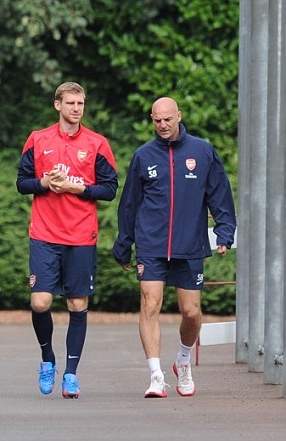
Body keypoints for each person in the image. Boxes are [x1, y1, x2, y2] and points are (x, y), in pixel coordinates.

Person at [113, 97, 236, 398]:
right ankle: (156, 376)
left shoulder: (202, 151)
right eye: (157, 120)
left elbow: (220, 193)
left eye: (168, 119)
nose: (163, 125)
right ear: (152, 120)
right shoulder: (143, 156)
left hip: (189, 243)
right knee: (149, 304)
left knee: (191, 312)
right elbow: (129, 204)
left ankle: (182, 360)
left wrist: (225, 230)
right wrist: (124, 242)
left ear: (178, 116)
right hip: (151, 243)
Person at [16, 82, 118, 398]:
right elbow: (22, 183)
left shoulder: (97, 143)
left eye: (80, 103)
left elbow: (110, 189)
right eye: (70, 103)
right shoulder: (38, 139)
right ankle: (47, 359)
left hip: (81, 235)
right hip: (44, 234)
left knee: (77, 304)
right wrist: (45, 183)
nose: (76, 108)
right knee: (40, 302)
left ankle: (71, 374)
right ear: (57, 105)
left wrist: (79, 188)